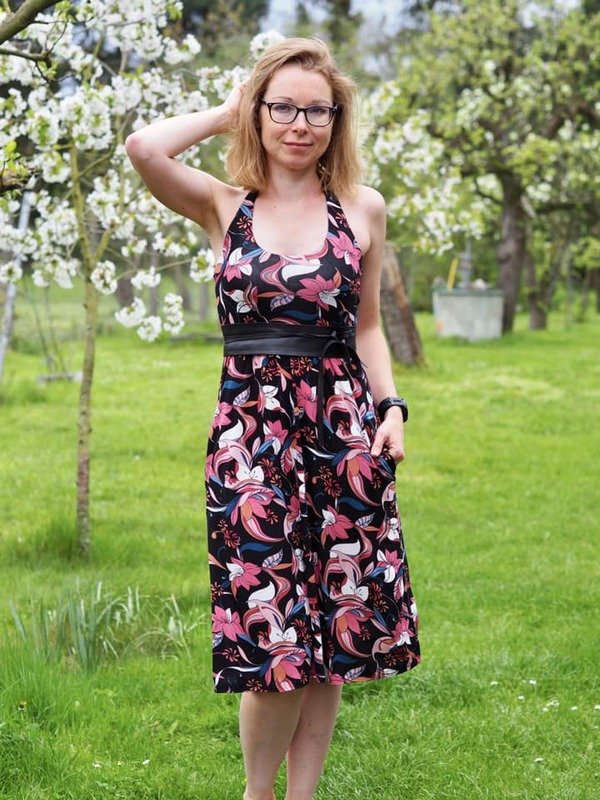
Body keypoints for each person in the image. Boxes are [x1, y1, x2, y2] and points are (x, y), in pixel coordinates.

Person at [126, 36, 420, 800]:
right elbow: (144, 147)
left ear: (337, 121)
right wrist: (227, 112)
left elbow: (366, 328)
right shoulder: (225, 205)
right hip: (250, 441)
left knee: (336, 630)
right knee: (273, 642)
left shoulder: (362, 209)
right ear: (257, 112)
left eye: (317, 111)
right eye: (282, 107)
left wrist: (392, 409)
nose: (300, 124)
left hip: (343, 436)